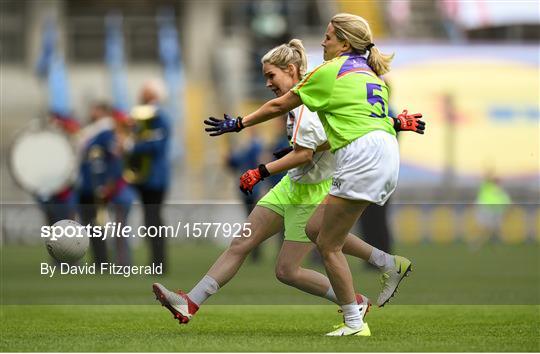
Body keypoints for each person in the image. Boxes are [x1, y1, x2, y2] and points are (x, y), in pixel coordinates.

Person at [153, 37, 424, 335]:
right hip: (291, 186)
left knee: (290, 268)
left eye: (272, 75)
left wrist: (261, 171)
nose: (268, 82)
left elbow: (309, 149)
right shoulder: (307, 97)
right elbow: (326, 138)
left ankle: (363, 292)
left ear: (292, 70)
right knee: (242, 243)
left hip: (313, 191)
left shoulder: (307, 100)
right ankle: (189, 303)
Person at [124, 80, 171, 272]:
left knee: (153, 220)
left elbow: (156, 145)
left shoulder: (159, 117)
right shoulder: (142, 117)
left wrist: (131, 146)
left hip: (155, 178)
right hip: (146, 178)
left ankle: (158, 262)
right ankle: (155, 261)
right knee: (149, 220)